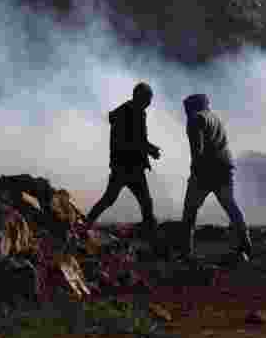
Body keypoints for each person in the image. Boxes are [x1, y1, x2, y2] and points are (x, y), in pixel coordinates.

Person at [84, 82, 165, 255]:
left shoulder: (130, 111)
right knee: (142, 203)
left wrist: (149, 149)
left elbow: (138, 139)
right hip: (129, 167)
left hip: (125, 166)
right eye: (148, 99)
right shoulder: (131, 112)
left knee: (117, 200)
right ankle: (154, 244)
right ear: (140, 97)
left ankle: (84, 225)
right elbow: (135, 140)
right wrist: (150, 150)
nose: (149, 103)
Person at [180, 93, 252, 263]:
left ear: (192, 106)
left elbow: (197, 150)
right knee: (230, 206)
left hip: (205, 171)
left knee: (190, 210)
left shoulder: (195, 119)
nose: (185, 111)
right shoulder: (214, 118)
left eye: (186, 108)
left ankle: (185, 250)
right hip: (224, 168)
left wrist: (195, 171)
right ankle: (245, 242)